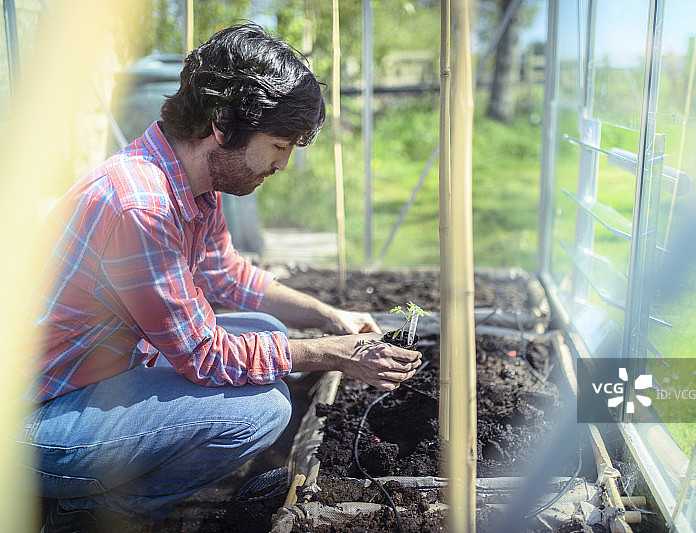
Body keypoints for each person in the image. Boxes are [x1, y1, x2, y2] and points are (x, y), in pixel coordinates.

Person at [22, 23, 422, 531]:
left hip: (96, 376)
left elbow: (228, 277)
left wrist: (329, 317)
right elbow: (204, 356)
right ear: (223, 125)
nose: (282, 165)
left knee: (270, 337)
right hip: (37, 418)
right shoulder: (139, 206)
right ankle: (90, 517)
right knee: (258, 411)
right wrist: (328, 352)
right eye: (278, 145)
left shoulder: (190, 179)